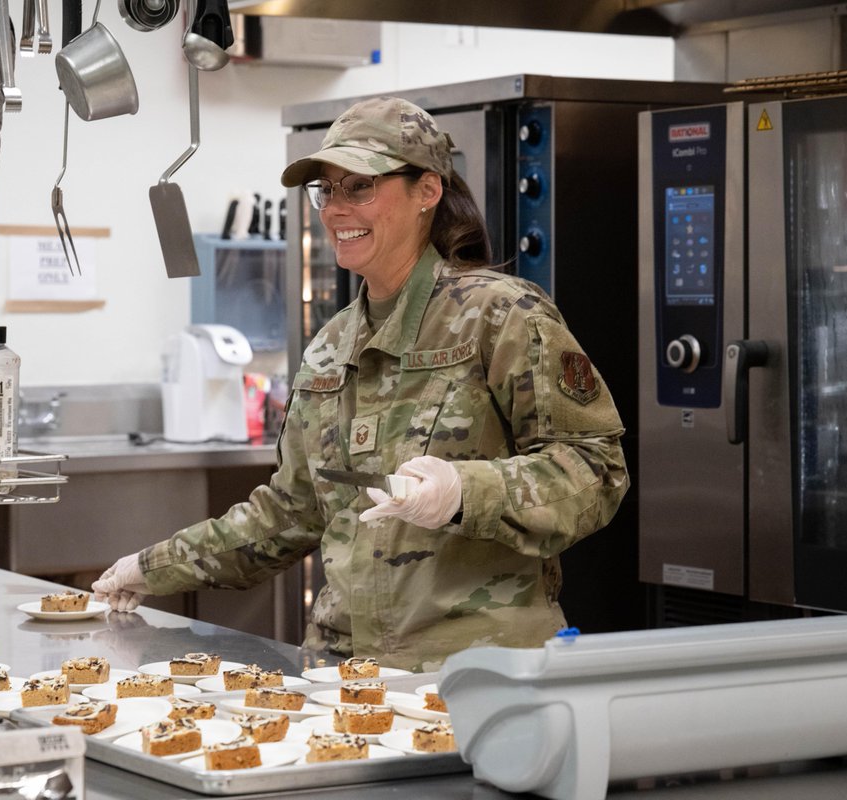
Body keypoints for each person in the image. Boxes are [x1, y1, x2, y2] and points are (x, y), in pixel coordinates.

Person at [93, 97, 629, 671]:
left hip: (480, 674)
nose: (335, 210)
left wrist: (464, 492)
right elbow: (290, 512)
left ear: (428, 191)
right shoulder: (332, 343)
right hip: (344, 676)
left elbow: (596, 471)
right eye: (327, 190)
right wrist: (150, 567)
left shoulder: (499, 316)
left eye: (360, 188)